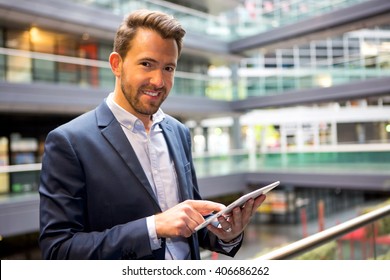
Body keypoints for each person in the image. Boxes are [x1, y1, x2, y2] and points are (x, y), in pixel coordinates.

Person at [39, 9, 266, 260]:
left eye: (168, 68)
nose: (158, 81)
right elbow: (58, 251)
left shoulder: (178, 132)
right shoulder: (69, 142)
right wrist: (153, 227)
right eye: (147, 64)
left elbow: (190, 225)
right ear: (117, 64)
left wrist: (226, 233)